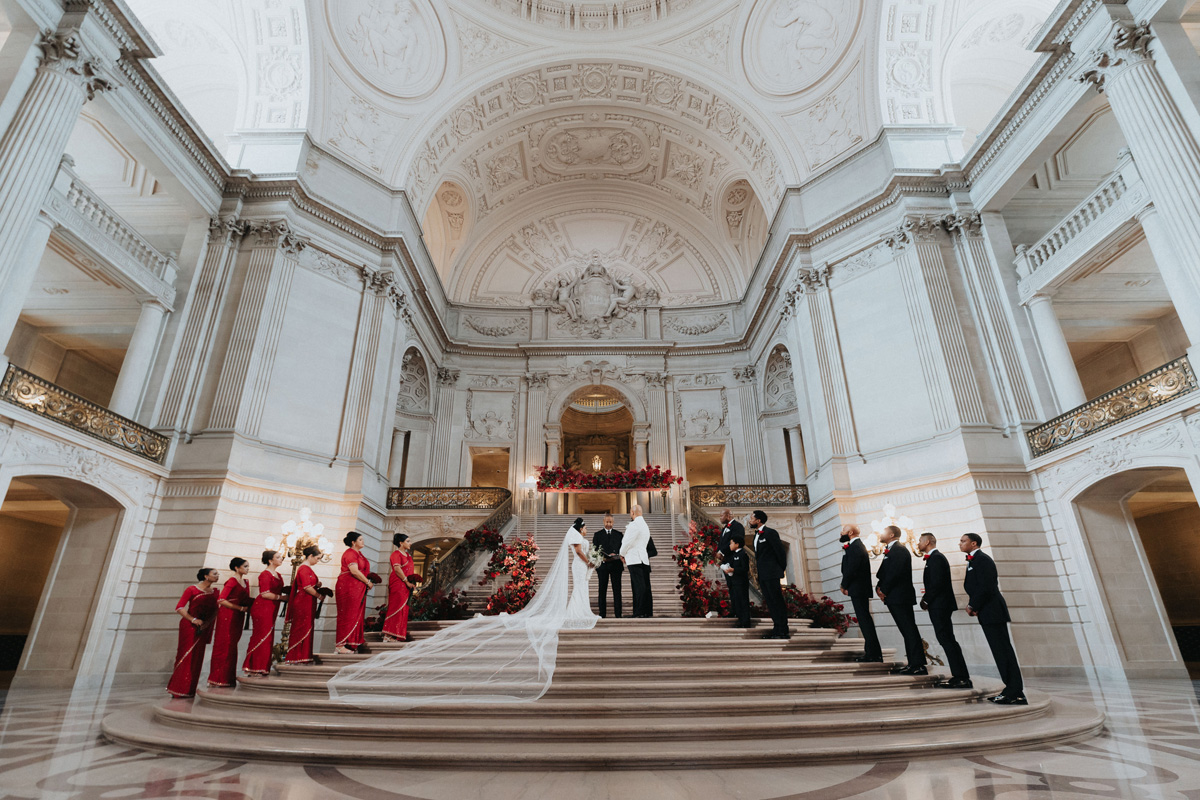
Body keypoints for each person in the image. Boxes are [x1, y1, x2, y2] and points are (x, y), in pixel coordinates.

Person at [961, 533, 1026, 705]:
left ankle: (1015, 692)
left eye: (963, 541)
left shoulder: (983, 560)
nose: (960, 544)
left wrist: (972, 605)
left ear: (974, 543)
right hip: (987, 611)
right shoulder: (973, 560)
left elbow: (987, 586)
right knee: (1000, 651)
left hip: (992, 611)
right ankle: (1011, 689)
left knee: (1003, 651)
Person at [918, 532, 971, 688]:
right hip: (939, 605)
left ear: (928, 542)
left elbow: (937, 583)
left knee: (947, 640)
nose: (918, 544)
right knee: (946, 640)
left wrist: (926, 600)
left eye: (920, 541)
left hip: (940, 605)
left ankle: (961, 677)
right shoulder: (934, 558)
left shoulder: (936, 558)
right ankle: (959, 676)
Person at [875, 525, 927, 675]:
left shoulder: (899, 550)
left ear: (891, 534)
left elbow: (895, 573)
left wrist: (884, 590)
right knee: (906, 630)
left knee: (909, 630)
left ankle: (918, 665)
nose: (880, 534)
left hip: (900, 596)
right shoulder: (892, 550)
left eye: (883, 531)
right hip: (895, 596)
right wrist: (879, 587)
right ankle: (913, 663)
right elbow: (884, 573)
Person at [166, 568, 219, 698]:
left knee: (197, 657)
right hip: (189, 626)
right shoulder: (192, 589)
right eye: (215, 574)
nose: (218, 576)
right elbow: (179, 607)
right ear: (206, 576)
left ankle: (189, 689)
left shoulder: (215, 592)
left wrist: (207, 623)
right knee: (186, 656)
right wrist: (193, 619)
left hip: (203, 626)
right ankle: (178, 690)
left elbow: (216, 610)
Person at [839, 524, 882, 663]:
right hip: (858, 588)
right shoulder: (854, 546)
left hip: (858, 588)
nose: (841, 532)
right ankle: (872, 652)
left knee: (865, 621)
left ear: (850, 532)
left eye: (843, 530)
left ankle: (873, 654)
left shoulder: (856, 546)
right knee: (864, 620)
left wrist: (844, 584)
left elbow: (852, 568)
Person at [207, 558, 251, 688]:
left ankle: (227, 678)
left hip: (238, 616)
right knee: (224, 645)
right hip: (228, 615)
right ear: (237, 568)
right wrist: (240, 608)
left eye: (248, 566)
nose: (248, 568)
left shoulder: (245, 582)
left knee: (232, 645)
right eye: (245, 566)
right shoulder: (232, 581)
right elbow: (221, 600)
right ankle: (217, 678)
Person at [243, 550, 286, 676]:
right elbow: (265, 593)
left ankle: (262, 667)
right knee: (261, 636)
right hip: (262, 608)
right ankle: (253, 667)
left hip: (272, 608)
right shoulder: (265, 574)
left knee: (268, 636)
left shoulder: (278, 574)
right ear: (270, 560)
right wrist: (282, 598)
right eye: (278, 557)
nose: (281, 558)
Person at [285, 546, 329, 664]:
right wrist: (319, 596)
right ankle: (296, 656)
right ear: (310, 556)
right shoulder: (304, 568)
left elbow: (310, 585)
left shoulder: (308, 568)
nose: (318, 561)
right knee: (301, 627)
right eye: (317, 558)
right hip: (303, 602)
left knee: (307, 626)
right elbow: (306, 587)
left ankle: (303, 656)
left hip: (308, 601)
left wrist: (317, 585)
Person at [750, 510, 789, 639]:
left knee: (777, 601)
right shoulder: (757, 535)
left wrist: (779, 570)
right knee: (770, 603)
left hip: (772, 573)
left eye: (752, 518)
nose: (750, 520)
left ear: (758, 520)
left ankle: (783, 630)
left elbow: (780, 553)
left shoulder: (770, 533)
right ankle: (776, 629)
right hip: (763, 575)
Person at [335, 532, 376, 654]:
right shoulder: (350, 553)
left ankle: (353, 643)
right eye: (360, 539)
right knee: (347, 615)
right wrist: (367, 582)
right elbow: (354, 570)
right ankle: (340, 645)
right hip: (348, 587)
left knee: (356, 614)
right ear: (353, 542)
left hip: (358, 588)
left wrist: (366, 583)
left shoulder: (360, 554)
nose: (363, 542)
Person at [382, 533, 420, 643]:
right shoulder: (396, 554)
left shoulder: (408, 556)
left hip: (407, 585)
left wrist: (411, 583)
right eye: (408, 541)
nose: (410, 543)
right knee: (395, 607)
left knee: (403, 608)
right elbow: (397, 569)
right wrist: (406, 581)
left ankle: (397, 635)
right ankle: (388, 635)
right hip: (398, 583)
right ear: (401, 543)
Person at [620, 504, 653, 618]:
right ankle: (646, 611)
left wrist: (621, 553)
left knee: (638, 587)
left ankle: (639, 611)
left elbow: (627, 542)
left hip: (634, 559)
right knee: (644, 586)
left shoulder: (634, 525)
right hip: (643, 558)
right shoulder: (645, 525)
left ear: (632, 513)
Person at [565, 518, 597, 622]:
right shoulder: (577, 536)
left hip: (582, 565)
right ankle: (576, 611)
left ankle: (582, 609)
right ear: (581, 529)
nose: (586, 530)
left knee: (582, 587)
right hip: (579, 565)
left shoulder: (579, 537)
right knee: (579, 587)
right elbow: (578, 551)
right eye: (585, 528)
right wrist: (588, 562)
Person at [592, 513, 623, 618]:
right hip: (603, 566)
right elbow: (594, 550)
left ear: (613, 522)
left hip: (616, 565)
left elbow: (622, 548)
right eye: (607, 522)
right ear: (603, 522)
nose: (608, 524)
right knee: (602, 590)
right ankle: (602, 614)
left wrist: (617, 554)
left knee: (617, 590)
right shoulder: (598, 535)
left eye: (610, 522)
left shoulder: (619, 535)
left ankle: (618, 614)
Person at [721, 533, 751, 627]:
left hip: (741, 582)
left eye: (731, 543)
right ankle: (741, 621)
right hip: (734, 582)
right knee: (737, 602)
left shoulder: (743, 554)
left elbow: (745, 568)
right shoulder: (734, 555)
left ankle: (745, 622)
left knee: (743, 602)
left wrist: (733, 569)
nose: (730, 545)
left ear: (737, 544)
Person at [717, 509, 745, 594]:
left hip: (734, 561)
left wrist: (721, 552)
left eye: (721, 516)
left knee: (738, 589)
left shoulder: (737, 526)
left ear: (728, 516)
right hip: (726, 560)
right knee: (731, 587)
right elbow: (722, 542)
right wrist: (719, 552)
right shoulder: (725, 527)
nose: (720, 518)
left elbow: (735, 542)